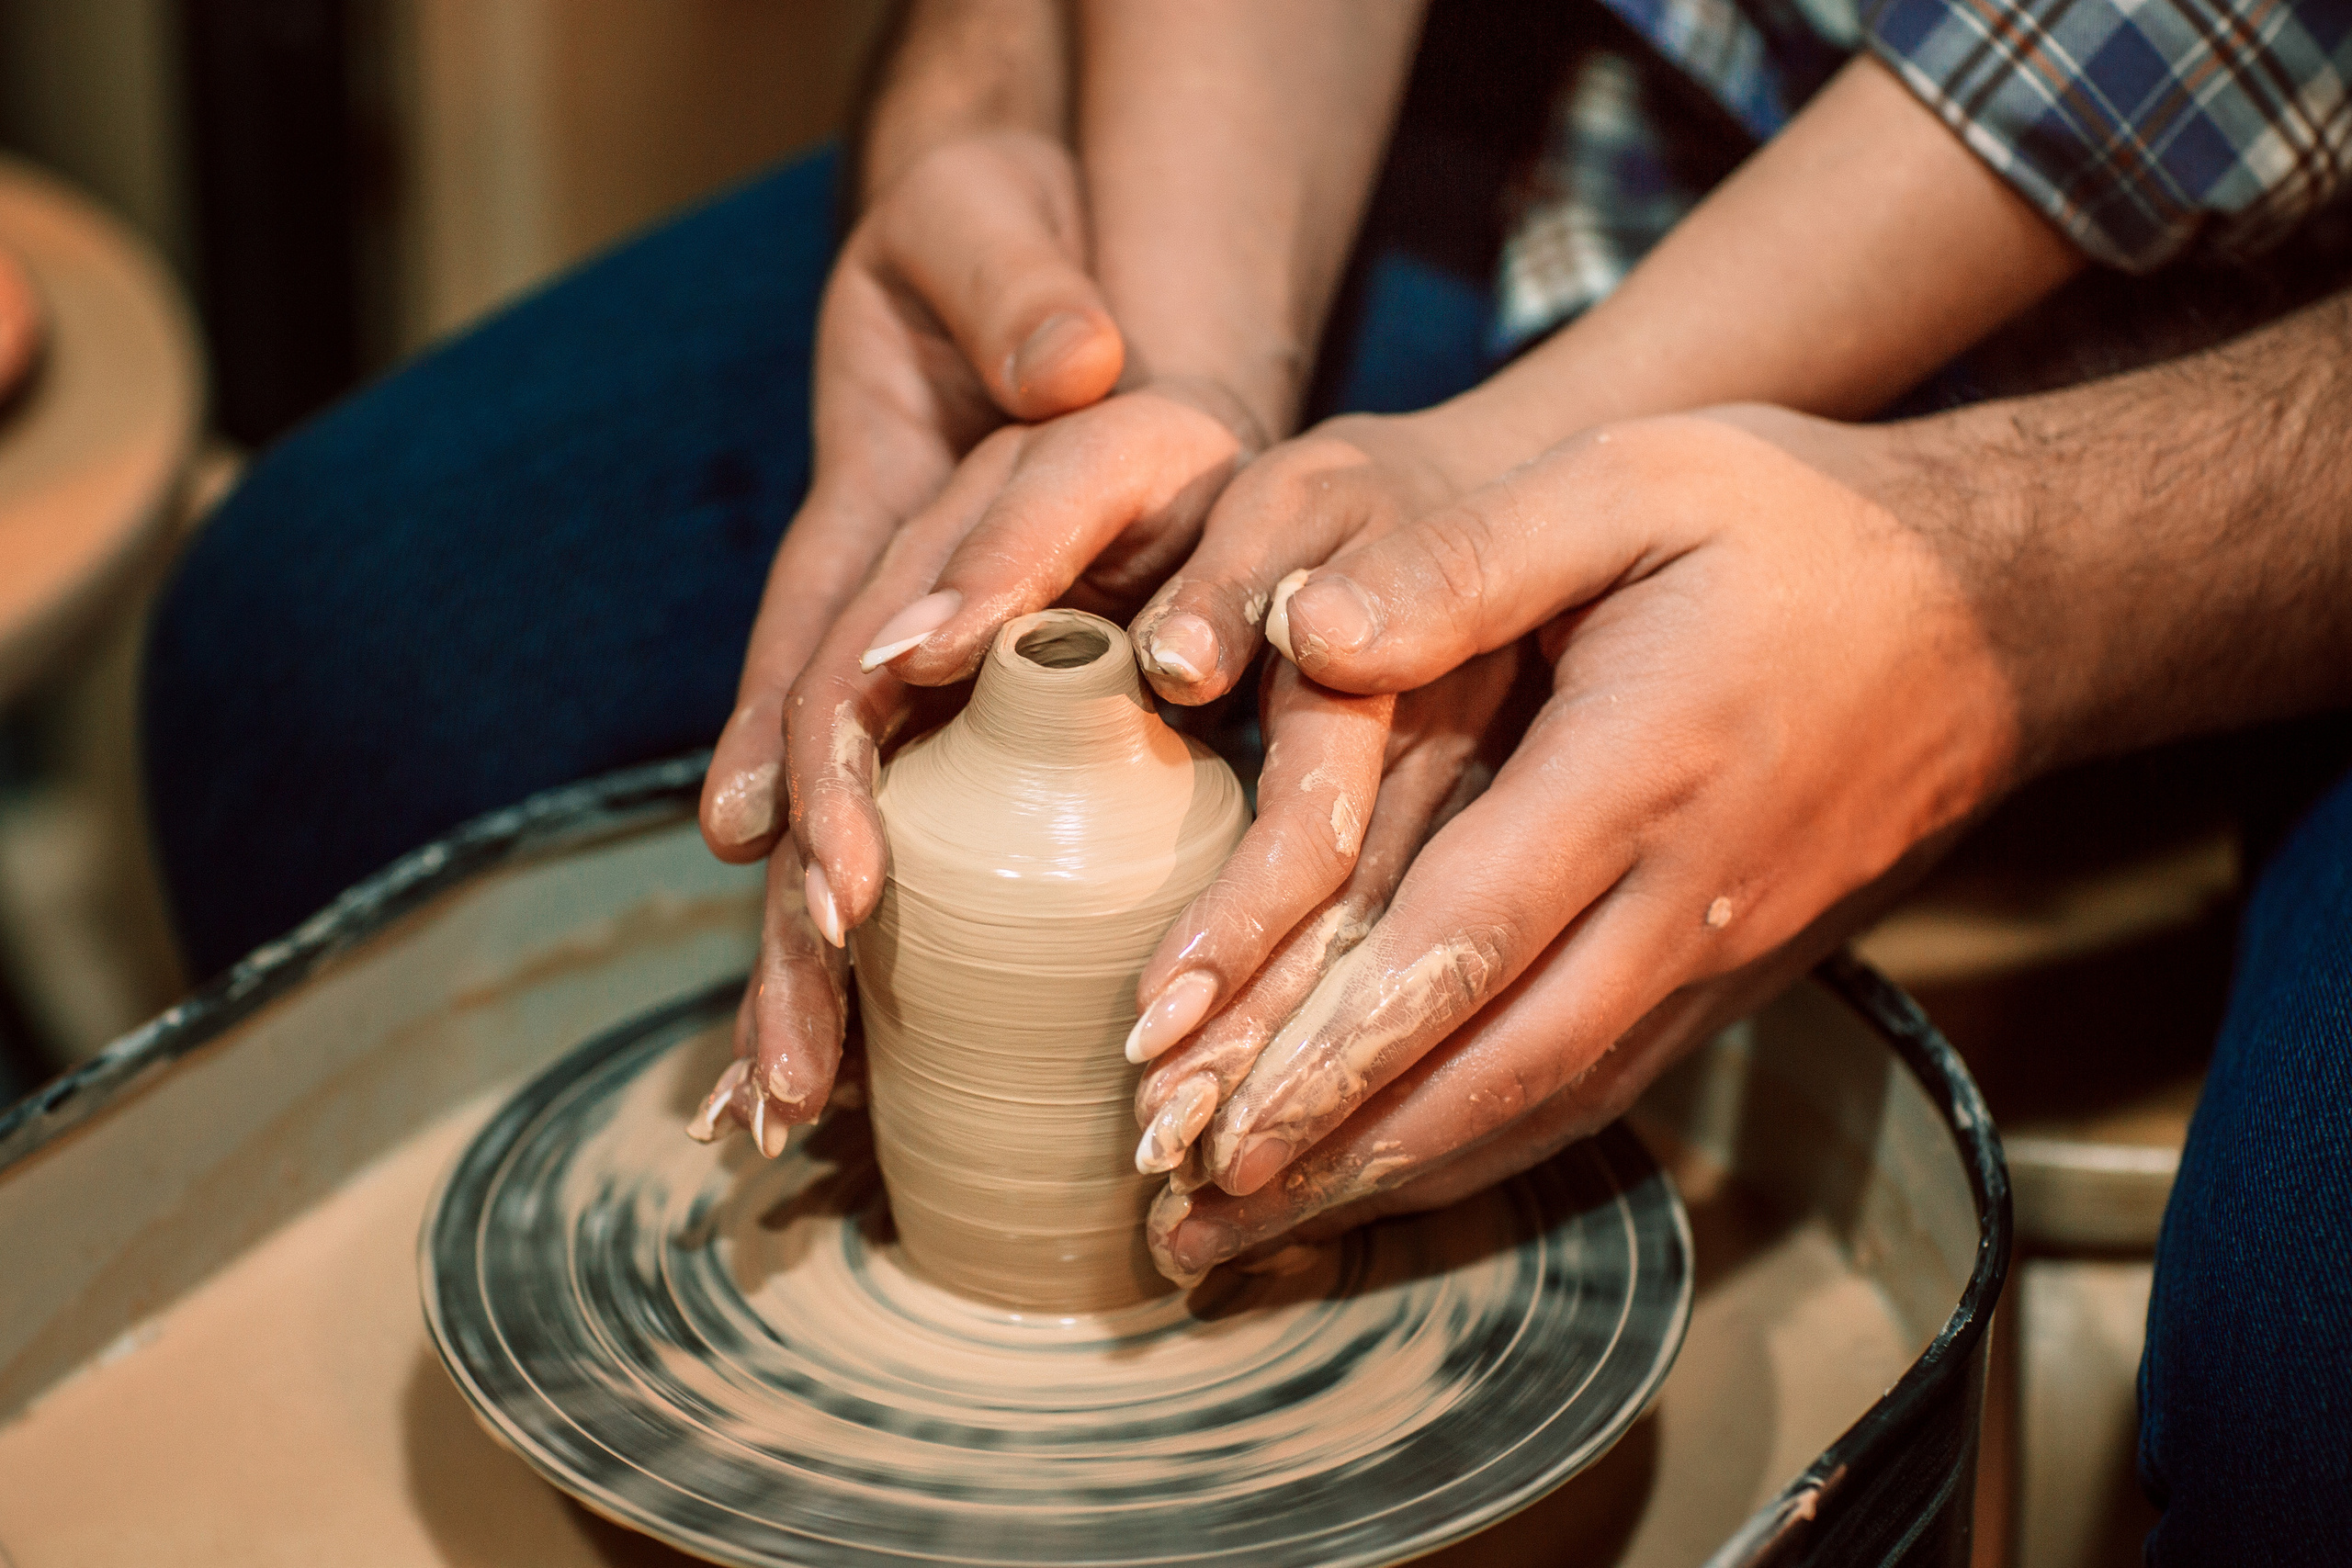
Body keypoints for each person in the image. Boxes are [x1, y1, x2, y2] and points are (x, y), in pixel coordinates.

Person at [140, 1, 2349, 1557]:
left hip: (2274, 368)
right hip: (1620, 118)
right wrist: (1175, 366)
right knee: (318, 665)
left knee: (2310, 1396)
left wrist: (1962, 576)